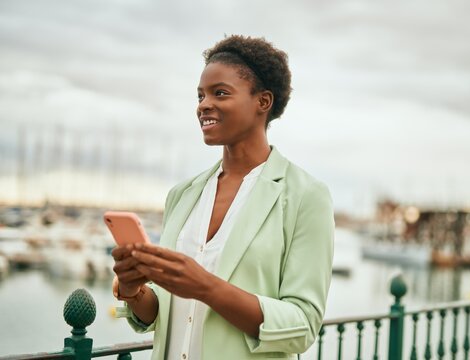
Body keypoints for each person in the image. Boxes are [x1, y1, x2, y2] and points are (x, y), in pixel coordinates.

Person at [112, 35, 334, 360]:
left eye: (220, 93)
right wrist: (133, 291)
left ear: (263, 101)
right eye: (200, 95)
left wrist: (206, 287)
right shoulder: (182, 195)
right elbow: (162, 314)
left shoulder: (305, 196)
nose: (203, 104)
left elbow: (302, 325)